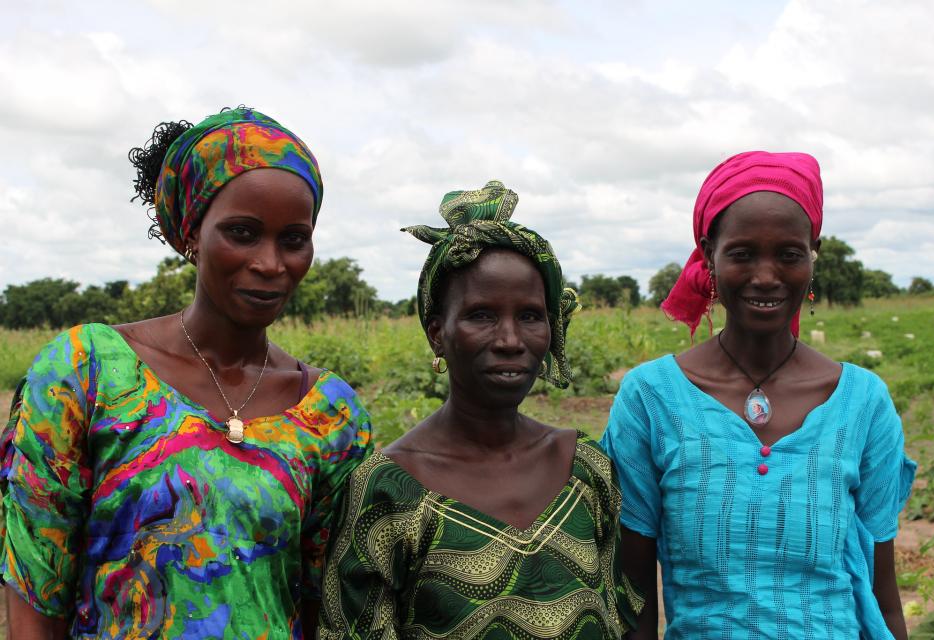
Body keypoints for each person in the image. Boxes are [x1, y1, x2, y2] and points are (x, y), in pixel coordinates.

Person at [0, 107, 371, 639]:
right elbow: (36, 583)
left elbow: (320, 605)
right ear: (189, 235)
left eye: (293, 239)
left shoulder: (329, 413)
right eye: (242, 233)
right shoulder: (87, 372)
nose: (270, 263)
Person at [601, 151, 916, 639]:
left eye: (789, 254)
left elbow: (882, 597)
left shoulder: (862, 403)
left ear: (813, 252)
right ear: (709, 254)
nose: (765, 276)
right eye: (742, 253)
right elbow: (633, 597)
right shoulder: (652, 399)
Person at [318, 180, 643, 639]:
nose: (510, 340)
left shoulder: (586, 469)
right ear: (437, 332)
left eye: (530, 316)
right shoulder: (386, 491)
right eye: (481, 315)